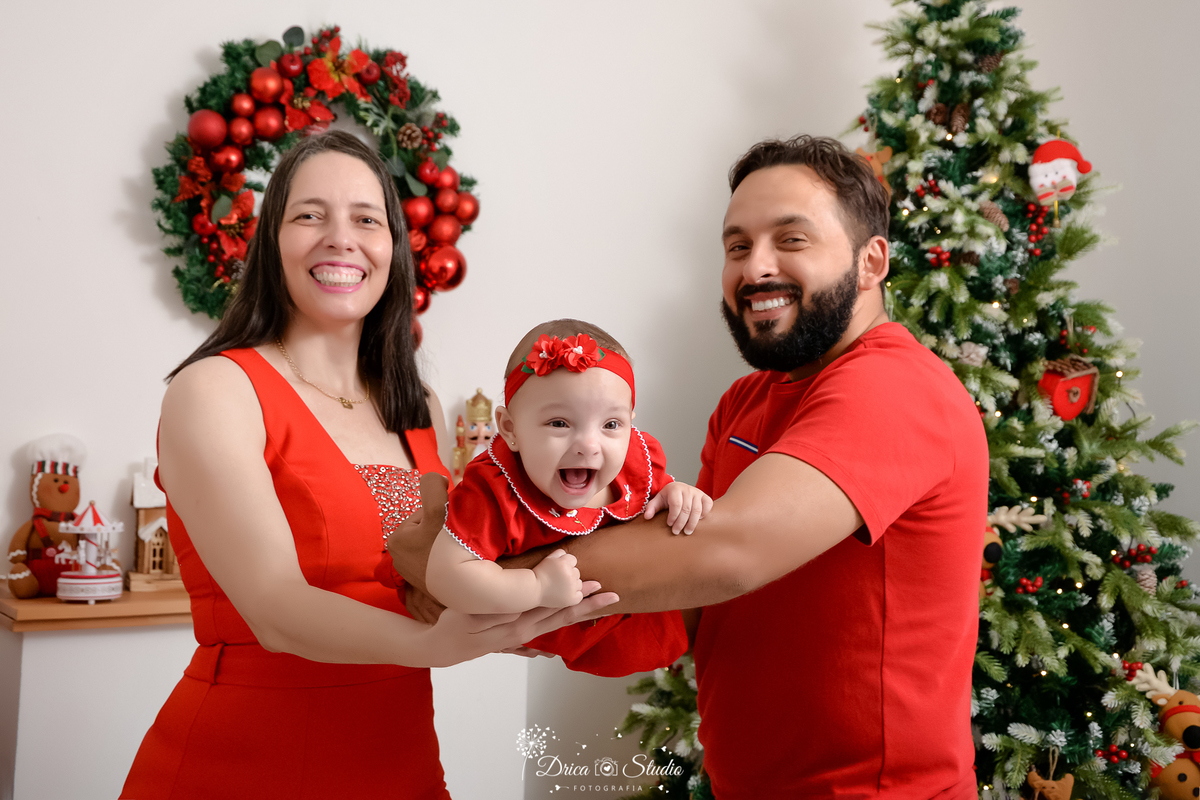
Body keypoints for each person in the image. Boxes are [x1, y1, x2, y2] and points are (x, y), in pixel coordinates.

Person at [393, 135, 988, 798]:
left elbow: (726, 554)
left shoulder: (893, 386)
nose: (755, 267)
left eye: (791, 239)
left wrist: (464, 568)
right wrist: (514, 618)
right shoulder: (748, 399)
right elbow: (683, 603)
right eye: (737, 246)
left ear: (872, 260)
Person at [121, 130, 614, 800]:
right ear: (272, 241)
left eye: (366, 219)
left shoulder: (419, 406)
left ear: (392, 248)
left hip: (400, 762)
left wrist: (519, 614)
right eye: (309, 215)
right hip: (242, 766)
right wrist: (437, 645)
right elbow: (275, 608)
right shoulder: (214, 390)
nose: (340, 238)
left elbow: (435, 582)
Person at [424, 319, 707, 675]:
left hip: (657, 622)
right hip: (584, 640)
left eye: (611, 425)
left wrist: (675, 492)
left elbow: (656, 490)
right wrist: (536, 587)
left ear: (630, 422)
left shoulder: (636, 459)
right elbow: (444, 575)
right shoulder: (495, 489)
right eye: (559, 423)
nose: (589, 445)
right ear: (510, 428)